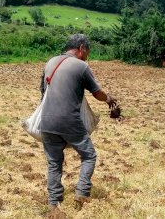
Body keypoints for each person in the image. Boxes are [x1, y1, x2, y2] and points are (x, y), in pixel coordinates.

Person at [38, 34, 117, 210]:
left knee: (53, 162)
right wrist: (109, 99)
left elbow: (43, 90)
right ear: (81, 48)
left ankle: (54, 203)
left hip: (46, 120)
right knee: (89, 155)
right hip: (69, 120)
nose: (88, 55)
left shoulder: (50, 62)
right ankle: (82, 193)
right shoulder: (81, 66)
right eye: (87, 51)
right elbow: (97, 93)